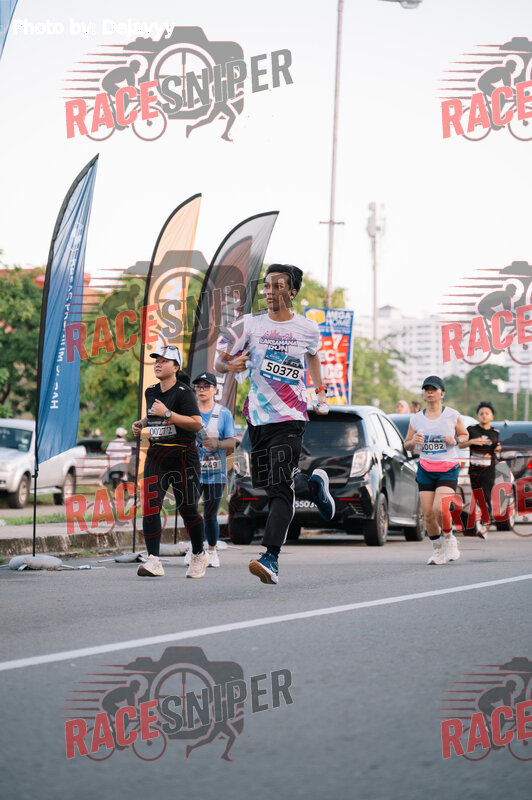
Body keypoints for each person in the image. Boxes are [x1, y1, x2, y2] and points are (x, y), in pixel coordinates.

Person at [215, 263, 335, 586]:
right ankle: (312, 485)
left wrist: (320, 391)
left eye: (278, 286)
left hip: (291, 417)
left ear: (292, 292)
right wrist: (230, 365)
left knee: (280, 488)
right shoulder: (249, 324)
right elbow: (219, 360)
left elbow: (313, 356)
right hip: (257, 419)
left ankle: (271, 557)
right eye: (267, 286)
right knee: (269, 484)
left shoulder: (307, 328)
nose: (270, 292)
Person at [132, 341, 209, 579]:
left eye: (164, 361)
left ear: (176, 367)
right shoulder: (151, 391)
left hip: (183, 456)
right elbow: (154, 416)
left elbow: (196, 423)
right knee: (150, 506)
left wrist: (167, 413)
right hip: (157, 456)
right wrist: (142, 423)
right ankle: (154, 560)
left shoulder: (184, 393)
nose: (157, 364)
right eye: (156, 360)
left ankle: (199, 554)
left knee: (188, 509)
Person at [404, 375, 469, 565]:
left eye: (433, 389)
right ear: (423, 394)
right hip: (425, 468)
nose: (430, 392)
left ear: (442, 393)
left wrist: (455, 440)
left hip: (448, 468)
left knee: (439, 508)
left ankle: (449, 538)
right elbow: (406, 444)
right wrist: (413, 441)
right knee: (428, 513)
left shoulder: (452, 415)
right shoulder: (416, 418)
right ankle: (438, 550)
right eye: (427, 389)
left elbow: (464, 435)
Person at [186, 371, 237, 568]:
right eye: (198, 386)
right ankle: (196, 550)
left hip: (216, 473)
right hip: (194, 471)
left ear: (215, 390)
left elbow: (232, 442)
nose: (202, 390)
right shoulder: (190, 413)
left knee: (210, 514)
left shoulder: (223, 413)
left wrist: (218, 444)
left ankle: (213, 551)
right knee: (190, 511)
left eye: (206, 386)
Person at [459, 401, 501, 538]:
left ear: (492, 416)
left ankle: (485, 525)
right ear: (477, 415)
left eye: (487, 413)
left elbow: (496, 447)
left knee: (486, 496)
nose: (484, 415)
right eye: (481, 413)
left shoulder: (495, 432)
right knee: (478, 497)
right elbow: (460, 445)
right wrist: (472, 442)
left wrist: (498, 448)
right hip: (474, 470)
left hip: (489, 470)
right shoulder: (471, 430)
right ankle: (484, 522)